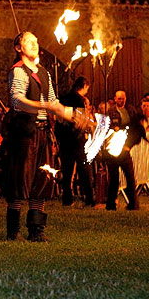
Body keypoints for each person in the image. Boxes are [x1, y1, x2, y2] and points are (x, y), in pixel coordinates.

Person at [4, 31, 77, 242]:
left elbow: (53, 103)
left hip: (44, 133)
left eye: (36, 40)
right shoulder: (18, 71)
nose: (35, 44)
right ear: (19, 48)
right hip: (25, 134)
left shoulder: (44, 73)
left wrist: (73, 115)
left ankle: (36, 230)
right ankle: (13, 231)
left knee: (42, 181)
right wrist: (42, 105)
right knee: (20, 181)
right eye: (29, 41)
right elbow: (17, 101)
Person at [55, 76, 96, 206]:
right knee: (85, 169)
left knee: (67, 171)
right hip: (77, 140)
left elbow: (58, 118)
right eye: (86, 89)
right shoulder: (80, 100)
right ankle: (89, 198)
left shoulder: (63, 98)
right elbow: (81, 122)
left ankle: (67, 199)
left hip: (64, 138)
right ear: (83, 86)